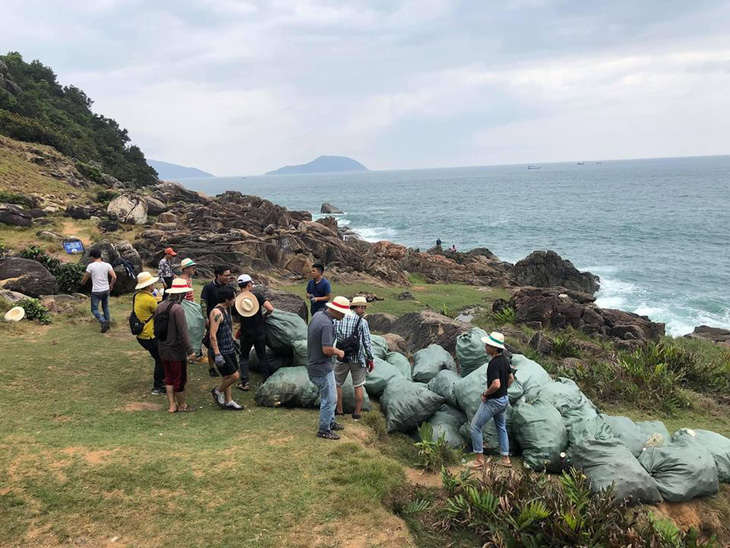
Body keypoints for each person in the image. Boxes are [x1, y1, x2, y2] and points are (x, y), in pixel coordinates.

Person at [307, 296, 350, 440]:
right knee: (330, 398)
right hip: (321, 367)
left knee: (331, 395)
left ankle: (330, 422)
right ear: (336, 311)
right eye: (343, 313)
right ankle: (324, 429)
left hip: (318, 364)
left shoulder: (318, 315)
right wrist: (338, 352)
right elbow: (326, 350)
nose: (344, 316)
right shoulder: (327, 325)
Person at [469, 331, 513, 469]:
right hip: (504, 400)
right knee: (501, 428)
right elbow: (511, 378)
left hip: (493, 401)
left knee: (475, 427)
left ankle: (479, 460)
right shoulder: (505, 360)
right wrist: (504, 390)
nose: (486, 346)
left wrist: (486, 394)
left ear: (494, 348)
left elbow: (496, 384)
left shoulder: (493, 364)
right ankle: (505, 459)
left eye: (488, 345)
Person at [155, 278, 197, 413]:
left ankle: (172, 405)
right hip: (175, 350)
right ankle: (182, 405)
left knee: (168, 377)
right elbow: (183, 332)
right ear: (181, 294)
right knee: (179, 379)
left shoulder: (160, 305)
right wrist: (190, 350)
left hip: (162, 348)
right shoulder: (178, 309)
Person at [334, 296, 374, 420]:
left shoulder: (338, 319)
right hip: (357, 358)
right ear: (359, 307)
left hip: (341, 356)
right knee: (358, 385)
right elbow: (367, 342)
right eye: (364, 307)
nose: (365, 310)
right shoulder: (362, 322)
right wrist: (370, 359)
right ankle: (357, 414)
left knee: (337, 384)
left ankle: (339, 410)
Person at [233, 274, 274, 391]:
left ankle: (245, 382)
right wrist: (264, 316)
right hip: (259, 331)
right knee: (262, 355)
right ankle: (267, 379)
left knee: (244, 356)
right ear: (249, 284)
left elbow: (235, 319)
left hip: (246, 332)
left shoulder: (237, 300)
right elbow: (270, 308)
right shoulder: (257, 296)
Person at [208, 285, 244, 411]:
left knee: (227, 376)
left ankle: (229, 401)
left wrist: (234, 340)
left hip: (229, 347)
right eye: (233, 298)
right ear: (227, 299)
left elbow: (227, 328)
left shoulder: (226, 309)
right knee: (234, 376)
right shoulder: (216, 313)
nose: (235, 300)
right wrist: (217, 354)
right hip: (221, 350)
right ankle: (218, 392)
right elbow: (212, 335)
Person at [133, 271, 165, 395]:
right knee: (160, 359)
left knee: (159, 358)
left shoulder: (137, 296)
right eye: (152, 283)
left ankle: (161, 380)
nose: (154, 285)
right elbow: (159, 311)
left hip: (141, 334)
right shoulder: (149, 299)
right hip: (149, 334)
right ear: (148, 286)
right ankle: (157, 386)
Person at [200, 266, 232, 378]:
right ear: (218, 275)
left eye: (229, 275)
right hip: (213, 319)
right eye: (226, 275)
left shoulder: (228, 287)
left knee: (225, 340)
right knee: (211, 342)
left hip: (226, 318)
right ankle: (211, 367)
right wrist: (205, 318)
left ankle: (225, 361)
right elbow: (203, 302)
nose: (229, 277)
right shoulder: (208, 287)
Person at [80, 247, 117, 333]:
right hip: (106, 289)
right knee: (105, 307)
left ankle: (103, 321)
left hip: (96, 290)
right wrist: (111, 284)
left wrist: (83, 282)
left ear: (93, 257)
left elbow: (86, 276)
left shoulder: (91, 266)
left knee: (94, 309)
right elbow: (114, 276)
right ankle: (107, 324)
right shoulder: (107, 265)